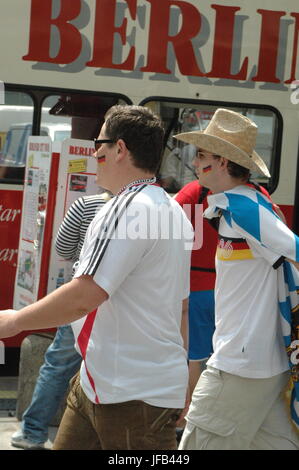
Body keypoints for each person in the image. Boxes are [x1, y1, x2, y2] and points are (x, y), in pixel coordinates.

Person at [0, 105, 193, 450]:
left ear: (119, 149)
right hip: (104, 382)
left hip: (129, 393)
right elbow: (180, 308)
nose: (93, 152)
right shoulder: (172, 208)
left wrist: (14, 321)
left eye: (98, 142)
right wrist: (181, 384)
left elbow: (84, 296)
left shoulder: (124, 208)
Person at [173, 108, 299, 450]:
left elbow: (295, 251)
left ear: (224, 162)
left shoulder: (245, 209)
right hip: (260, 362)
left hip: (240, 364)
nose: (195, 163)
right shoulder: (241, 204)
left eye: (202, 155)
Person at [11, 191, 111, 449]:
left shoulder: (86, 204)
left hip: (81, 296)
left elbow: (63, 249)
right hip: (120, 304)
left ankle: (33, 432)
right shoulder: (156, 207)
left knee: (58, 364)